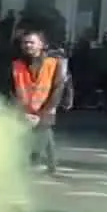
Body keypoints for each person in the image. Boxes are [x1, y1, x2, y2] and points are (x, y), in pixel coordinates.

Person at [12, 31, 66, 175]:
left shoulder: (53, 64)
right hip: (24, 111)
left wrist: (43, 113)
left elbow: (58, 88)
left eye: (31, 42)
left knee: (42, 134)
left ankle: (41, 163)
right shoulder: (16, 65)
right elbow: (11, 89)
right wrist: (22, 112)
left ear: (41, 45)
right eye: (25, 42)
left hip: (45, 109)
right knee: (28, 136)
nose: (28, 45)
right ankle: (50, 165)